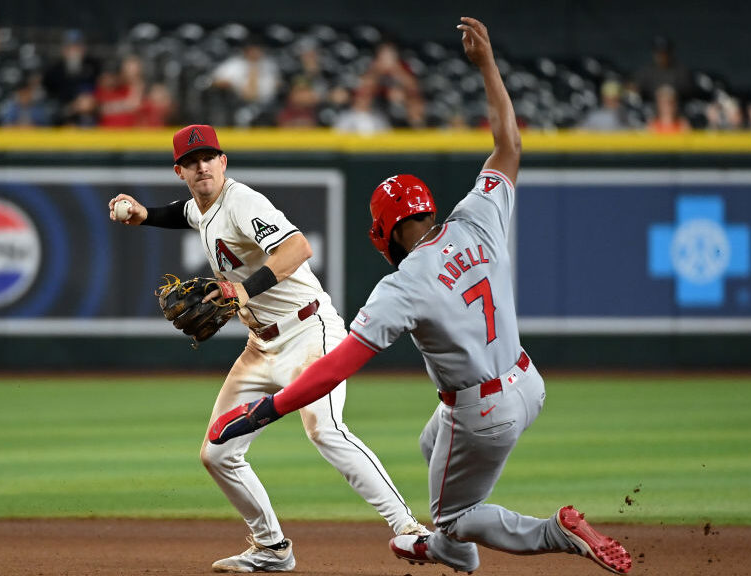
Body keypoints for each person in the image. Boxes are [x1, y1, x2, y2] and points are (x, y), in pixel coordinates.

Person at [208, 17, 633, 576]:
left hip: (482, 411)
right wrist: (486, 64)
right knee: (431, 443)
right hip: (527, 381)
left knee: (454, 517)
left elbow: (336, 368)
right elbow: (509, 142)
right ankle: (449, 554)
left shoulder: (402, 285)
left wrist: (269, 408)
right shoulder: (476, 217)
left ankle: (545, 531)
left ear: (384, 232)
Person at [106, 124, 428, 572]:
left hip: (308, 331)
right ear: (179, 171)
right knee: (218, 452)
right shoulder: (206, 206)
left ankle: (410, 529)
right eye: (192, 162)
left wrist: (243, 290)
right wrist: (145, 214)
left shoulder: (242, 202)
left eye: (209, 158)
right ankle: (271, 547)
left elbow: (298, 247)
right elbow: (187, 214)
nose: (202, 166)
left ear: (223, 162)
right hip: (261, 346)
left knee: (325, 429)